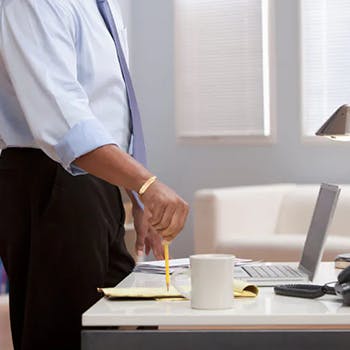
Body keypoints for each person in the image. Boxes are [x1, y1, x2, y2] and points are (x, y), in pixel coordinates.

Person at [0, 0, 189, 349]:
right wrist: (145, 184)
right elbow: (62, 121)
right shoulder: (35, 4)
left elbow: (111, 113)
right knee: (62, 331)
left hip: (96, 181)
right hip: (49, 180)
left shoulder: (103, 7)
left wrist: (135, 195)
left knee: (121, 324)